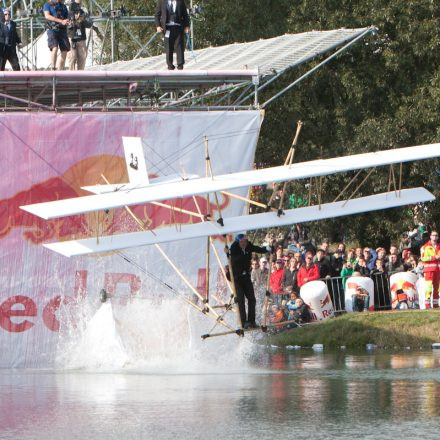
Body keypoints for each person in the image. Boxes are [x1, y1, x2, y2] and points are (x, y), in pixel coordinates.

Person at [227, 233, 270, 329]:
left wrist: (267, 249)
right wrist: (227, 253)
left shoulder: (248, 246)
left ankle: (252, 321)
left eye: (245, 241)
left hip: (246, 277)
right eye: (242, 242)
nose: (244, 243)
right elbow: (233, 258)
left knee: (252, 299)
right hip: (236, 278)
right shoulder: (233, 249)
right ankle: (244, 322)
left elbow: (258, 249)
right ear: (238, 242)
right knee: (240, 300)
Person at [155, 0, 190, 70]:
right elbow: (157, 15)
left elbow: (185, 14)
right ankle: (170, 66)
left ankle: (180, 65)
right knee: (168, 48)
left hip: (178, 27)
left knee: (179, 47)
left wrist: (187, 26)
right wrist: (158, 26)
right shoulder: (162, 1)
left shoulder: (180, 2)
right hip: (167, 28)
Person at [43, 0, 71, 70]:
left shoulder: (63, 6)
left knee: (65, 50)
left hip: (62, 30)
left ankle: (59, 70)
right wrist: (61, 21)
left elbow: (66, 17)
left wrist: (68, 21)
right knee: (54, 48)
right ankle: (53, 68)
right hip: (52, 30)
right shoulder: (47, 4)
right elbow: (47, 16)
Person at [67, 0, 91, 70]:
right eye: (76, 4)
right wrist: (74, 19)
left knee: (82, 57)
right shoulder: (68, 13)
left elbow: (89, 24)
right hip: (71, 38)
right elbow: (65, 24)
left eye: (79, 4)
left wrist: (83, 19)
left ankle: (80, 76)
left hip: (81, 38)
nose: (78, 5)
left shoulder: (83, 12)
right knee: (72, 58)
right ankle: (71, 77)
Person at [420, 230, 440, 308]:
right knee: (428, 288)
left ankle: (435, 304)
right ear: (430, 236)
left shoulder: (439, 246)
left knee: (437, 288)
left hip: (438, 270)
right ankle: (427, 305)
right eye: (433, 235)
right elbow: (423, 258)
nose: (435, 237)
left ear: (438, 237)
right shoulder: (425, 247)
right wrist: (434, 257)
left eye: (436, 235)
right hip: (429, 270)